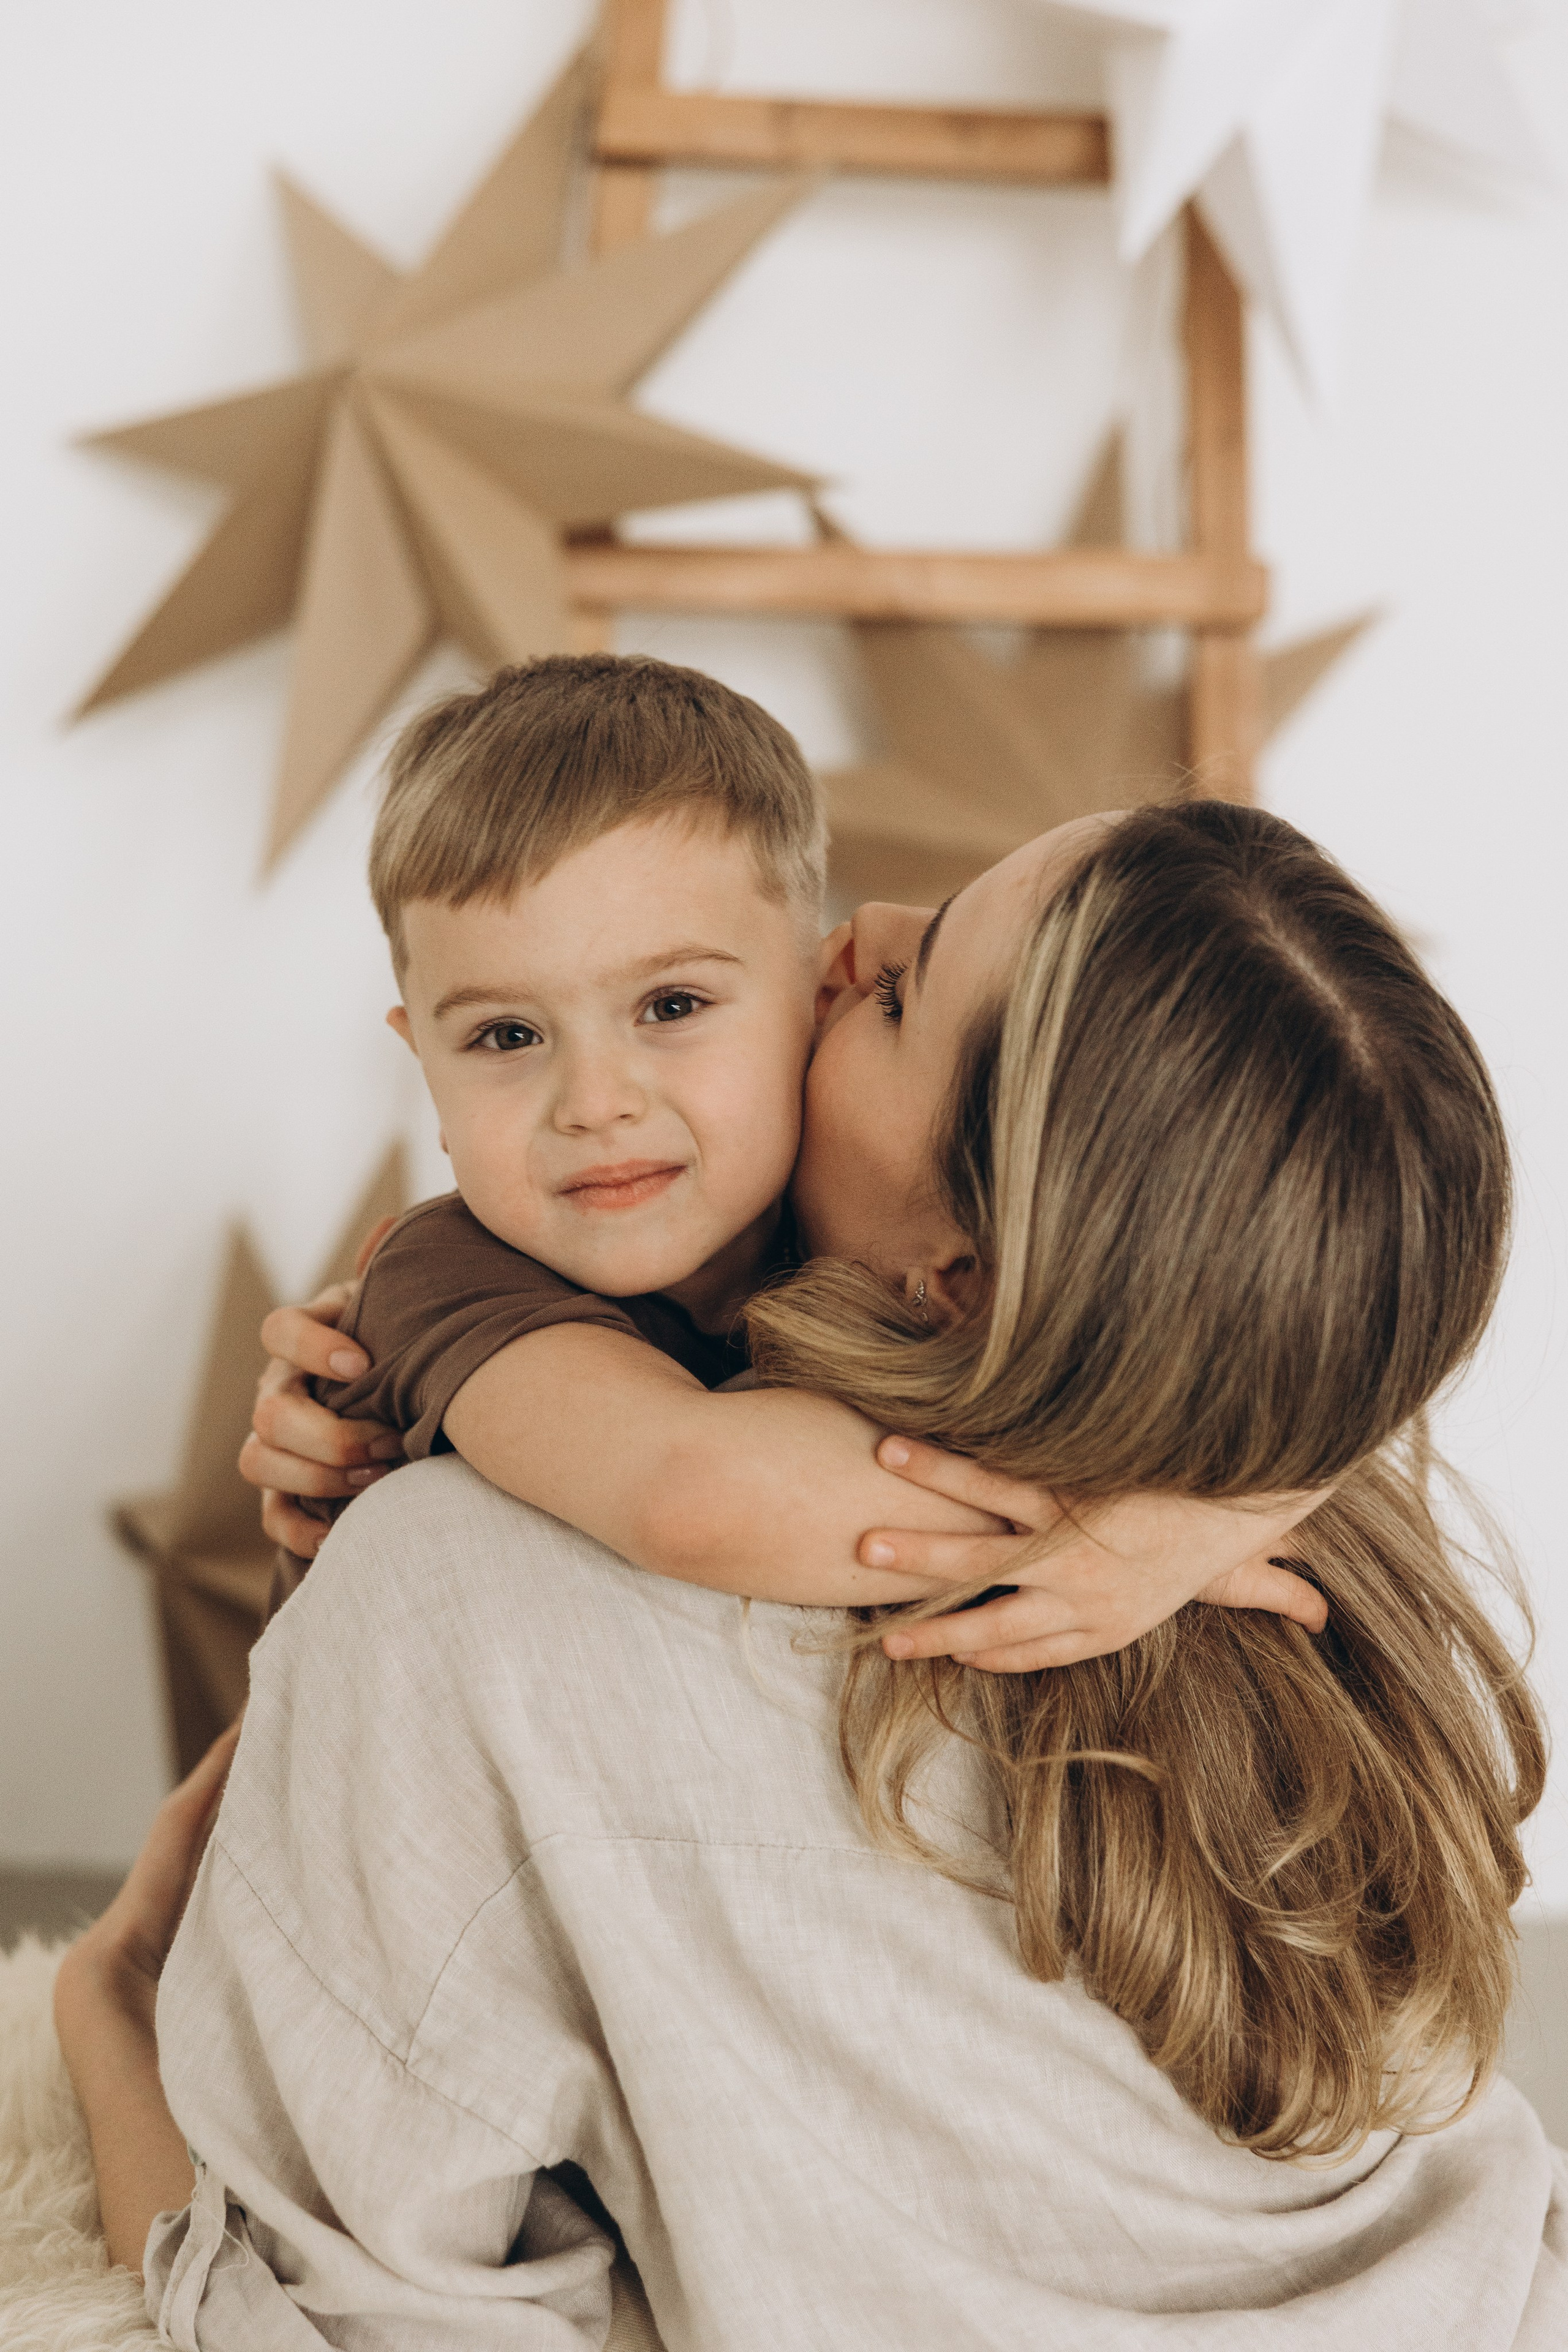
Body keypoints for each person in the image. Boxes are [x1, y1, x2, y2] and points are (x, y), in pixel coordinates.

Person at [56, 795, 1564, 2345]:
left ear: (962, 1271)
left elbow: (329, 2312)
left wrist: (107, 2005)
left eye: (904, 998)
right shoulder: (1311, 1543)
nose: (861, 936)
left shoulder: (460, 1588)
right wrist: (1176, 1507)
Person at [260, 652, 1326, 1663]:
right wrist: (1118, 1523)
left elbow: (1290, 1337)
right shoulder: (439, 1275)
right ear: (427, 1071)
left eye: (671, 1006)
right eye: (505, 1037)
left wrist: (1239, 1502)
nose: (593, 1105)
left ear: (815, 998)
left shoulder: (863, 1239)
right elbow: (691, 1497)